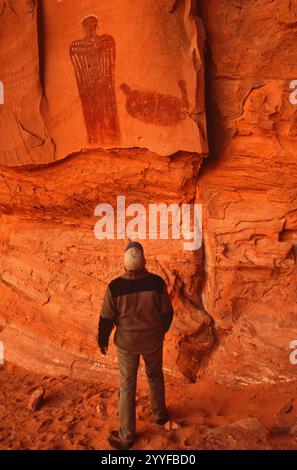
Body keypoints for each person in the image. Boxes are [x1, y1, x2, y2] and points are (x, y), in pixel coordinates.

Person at [98, 242, 174, 450]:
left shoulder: (115, 287)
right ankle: (159, 415)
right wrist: (160, 331)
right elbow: (167, 314)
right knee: (155, 376)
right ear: (144, 261)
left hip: (127, 344)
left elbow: (106, 318)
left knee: (127, 386)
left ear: (124, 264)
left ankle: (126, 436)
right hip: (153, 341)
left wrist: (102, 339)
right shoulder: (157, 283)